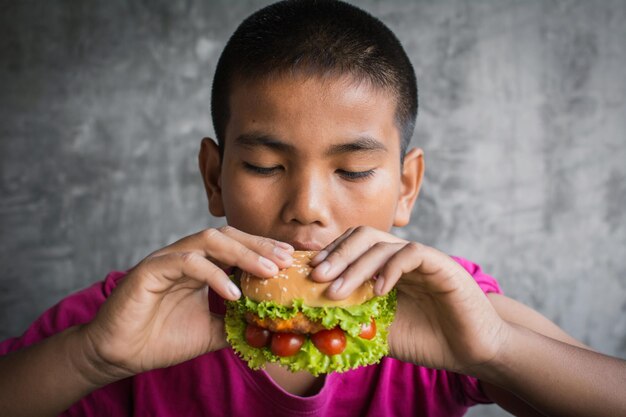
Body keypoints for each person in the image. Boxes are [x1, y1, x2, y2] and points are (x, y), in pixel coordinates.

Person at [1, 1, 625, 416]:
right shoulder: (134, 311)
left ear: (406, 187)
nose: (307, 208)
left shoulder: (444, 305)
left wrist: (492, 350)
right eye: (265, 167)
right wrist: (91, 357)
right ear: (214, 178)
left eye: (352, 171)